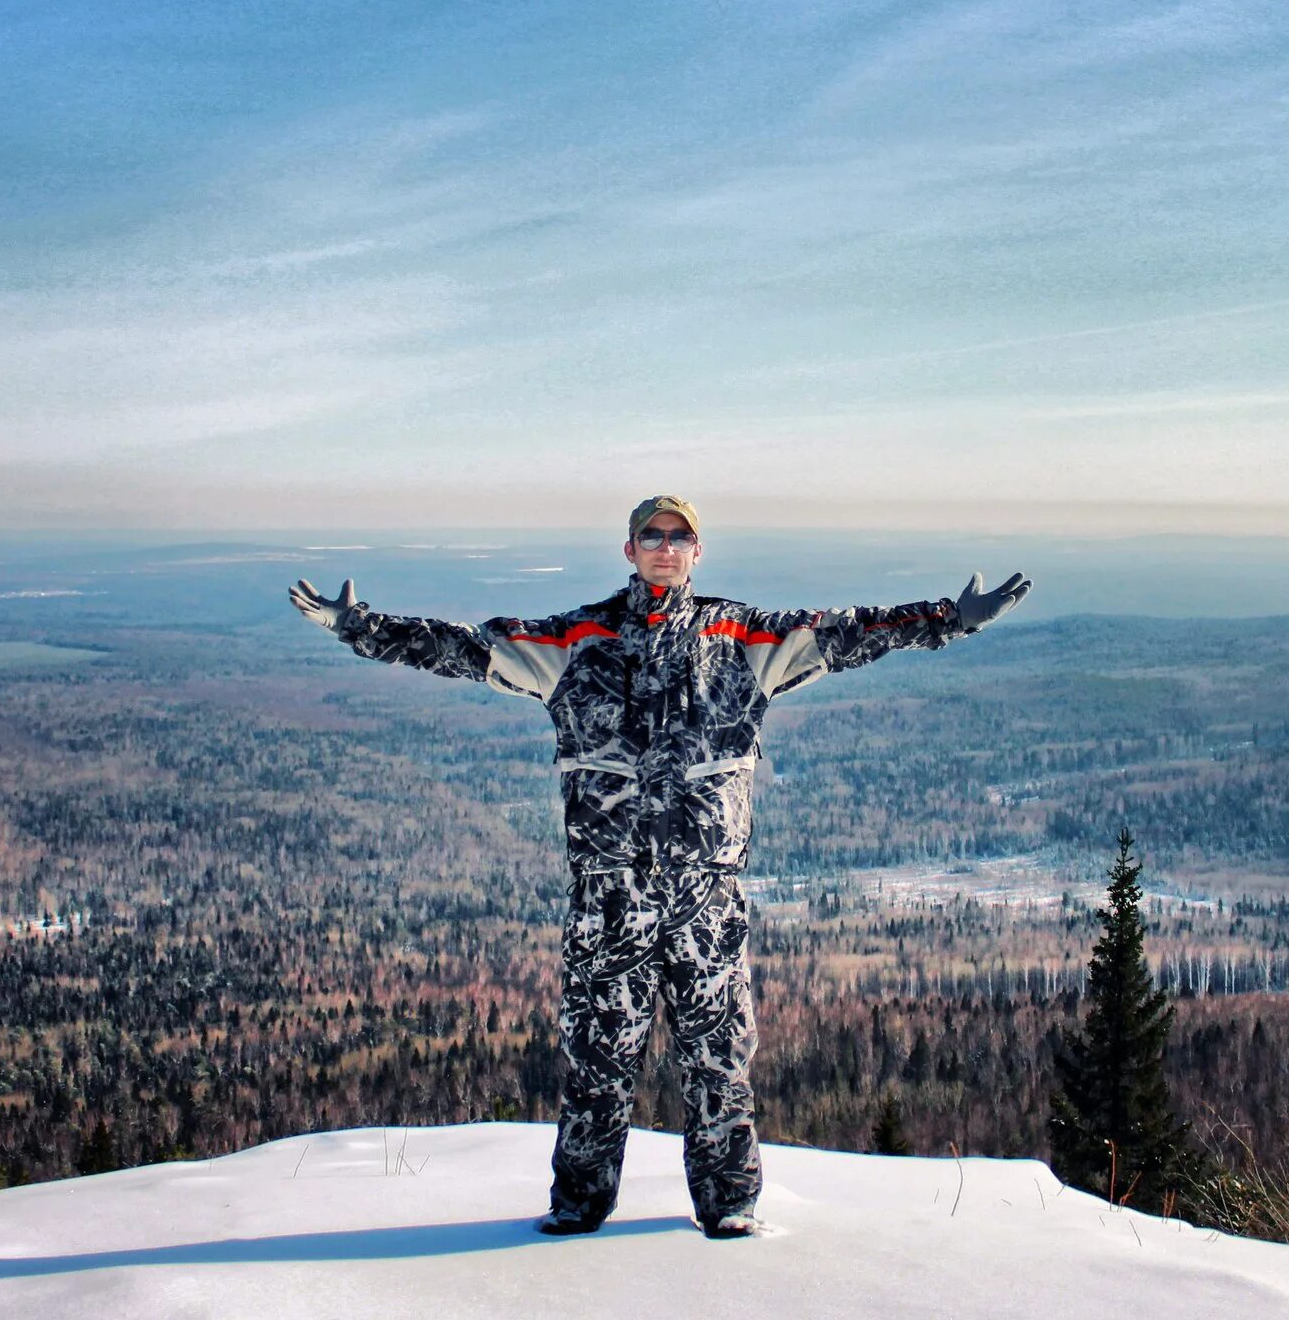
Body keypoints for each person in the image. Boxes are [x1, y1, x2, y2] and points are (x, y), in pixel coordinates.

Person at [289, 495, 1029, 1238]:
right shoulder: (578, 641)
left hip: (706, 901)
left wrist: (947, 619)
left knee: (719, 1059)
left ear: (697, 552)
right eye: (653, 535)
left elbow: (849, 633)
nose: (666, 548)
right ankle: (578, 1205)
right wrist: (361, 629)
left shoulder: (742, 639)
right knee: (597, 1061)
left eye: (680, 537)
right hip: (610, 899)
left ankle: (729, 1205)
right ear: (630, 547)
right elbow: (461, 648)